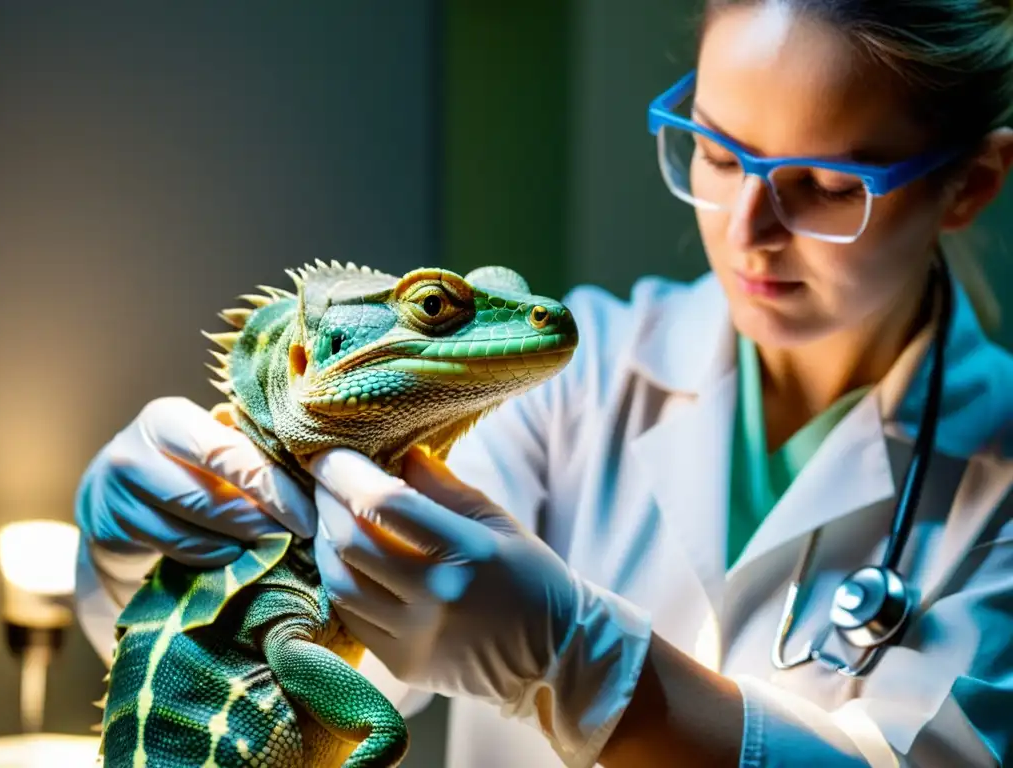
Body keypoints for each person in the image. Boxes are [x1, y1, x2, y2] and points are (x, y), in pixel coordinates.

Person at [73, 1, 1013, 766]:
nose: (748, 230)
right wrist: (127, 554)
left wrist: (579, 661)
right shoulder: (569, 377)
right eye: (720, 154)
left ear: (970, 183)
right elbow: (268, 685)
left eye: (828, 183)